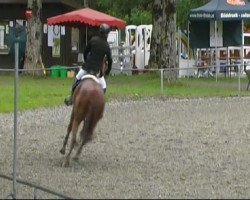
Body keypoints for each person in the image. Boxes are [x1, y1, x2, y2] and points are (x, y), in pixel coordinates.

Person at [64, 23, 113, 106]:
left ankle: (71, 98)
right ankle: (99, 102)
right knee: (104, 86)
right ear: (106, 34)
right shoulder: (106, 46)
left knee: (77, 78)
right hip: (97, 71)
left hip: (86, 68)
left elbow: (86, 52)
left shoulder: (93, 40)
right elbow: (110, 60)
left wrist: (86, 60)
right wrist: (107, 71)